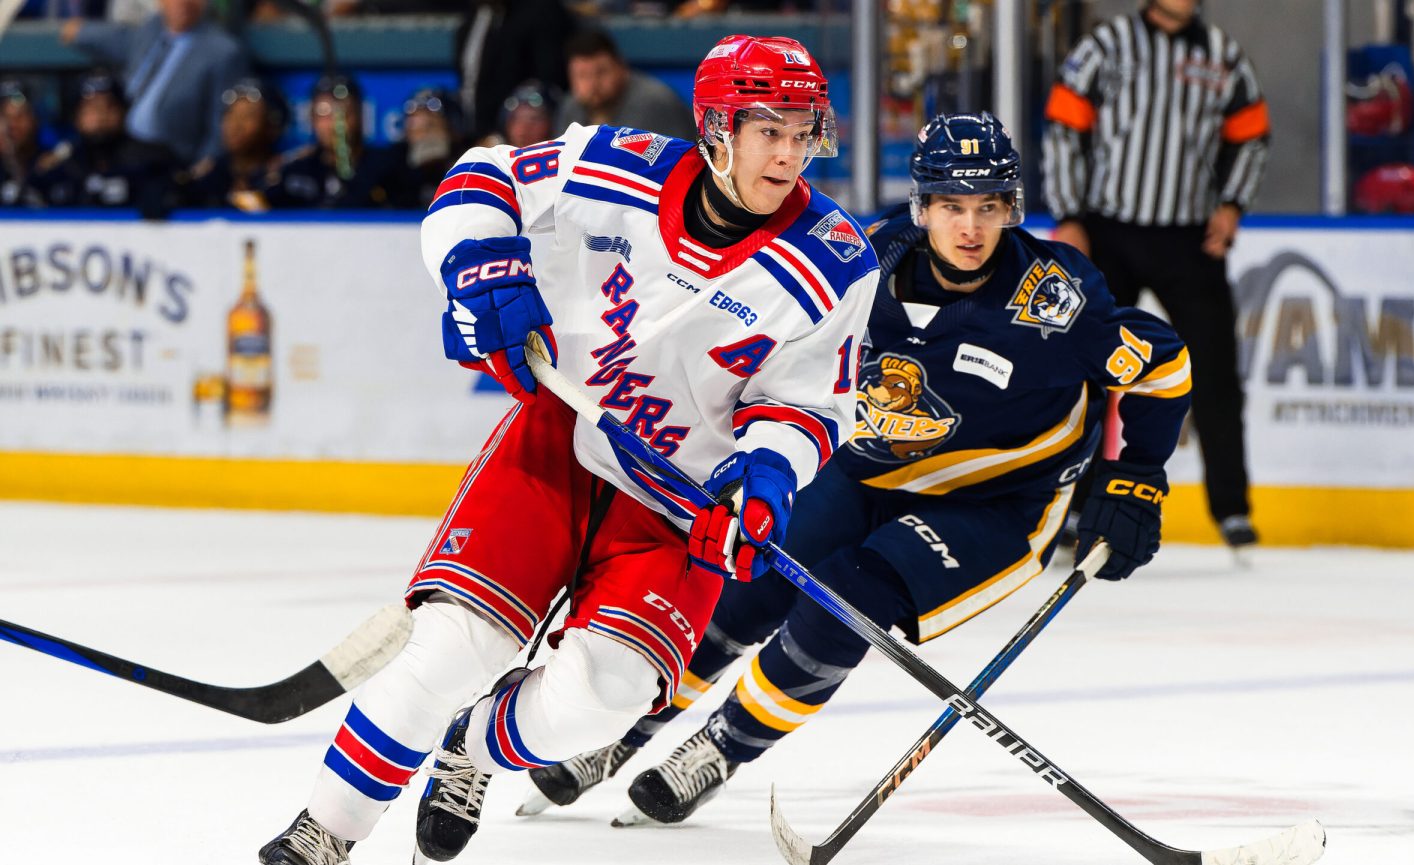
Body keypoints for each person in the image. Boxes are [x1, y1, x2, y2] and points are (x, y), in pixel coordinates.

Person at [256, 34, 879, 865]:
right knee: (450, 647)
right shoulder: (616, 164)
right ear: (716, 128)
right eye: (770, 129)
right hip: (559, 437)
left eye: (804, 131)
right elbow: (480, 178)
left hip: (676, 501)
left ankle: (470, 750)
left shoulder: (835, 262)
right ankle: (323, 832)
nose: (791, 152)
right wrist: (481, 267)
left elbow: (805, 404)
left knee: (604, 700)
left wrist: (765, 476)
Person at [514, 112, 1192, 826]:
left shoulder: (1055, 301)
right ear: (922, 206)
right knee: (744, 586)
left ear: (1010, 209)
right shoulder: (861, 263)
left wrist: (1137, 475)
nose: (970, 227)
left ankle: (722, 745)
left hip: (993, 503)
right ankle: (623, 732)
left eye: (988, 207)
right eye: (953, 207)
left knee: (848, 594)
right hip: (863, 468)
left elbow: (1165, 365)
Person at [1042, 0, 1269, 551]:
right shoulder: (1105, 46)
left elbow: (1252, 135)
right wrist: (1069, 214)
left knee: (1214, 373)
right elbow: (1062, 130)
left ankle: (1231, 508)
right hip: (1107, 232)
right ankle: (1074, 504)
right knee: (1087, 375)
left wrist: (1233, 204)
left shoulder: (1223, 55)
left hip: (1189, 237)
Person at [60, 0, 249, 166]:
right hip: (123, 148)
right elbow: (119, 39)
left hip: (172, 158)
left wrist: (204, 166)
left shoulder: (222, 52)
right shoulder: (152, 30)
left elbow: (221, 125)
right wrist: (81, 32)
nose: (183, 2)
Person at [35, 70, 179, 216]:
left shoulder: (153, 161)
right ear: (76, 116)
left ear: (123, 112)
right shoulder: (62, 166)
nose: (101, 115)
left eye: (109, 106)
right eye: (91, 108)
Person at [267, 75, 401, 209]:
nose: (334, 125)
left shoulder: (386, 169)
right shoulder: (297, 171)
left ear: (360, 116)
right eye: (323, 115)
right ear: (312, 119)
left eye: (343, 114)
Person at [456, 0, 574, 139]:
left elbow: (550, 84)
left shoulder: (541, 13)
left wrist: (499, 135)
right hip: (475, 133)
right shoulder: (475, 18)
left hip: (518, 138)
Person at [554, 28, 696, 141]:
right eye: (582, 75)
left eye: (601, 72)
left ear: (621, 68)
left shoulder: (654, 103)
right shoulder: (570, 107)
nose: (593, 83)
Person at [180, 78, 287, 210]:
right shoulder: (207, 177)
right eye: (230, 115)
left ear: (272, 127)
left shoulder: (287, 180)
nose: (235, 126)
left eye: (248, 116)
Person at [385, 86, 468, 209]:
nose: (425, 137)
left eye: (431, 125)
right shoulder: (391, 170)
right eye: (413, 121)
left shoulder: (470, 166)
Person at [0, 79, 51, 208]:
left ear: (35, 120)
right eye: (5, 117)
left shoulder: (53, 167)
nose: (12, 125)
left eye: (19, 117)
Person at [498, 81, 558, 149]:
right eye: (515, 119)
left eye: (534, 119)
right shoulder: (494, 154)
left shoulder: (565, 156)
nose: (523, 128)